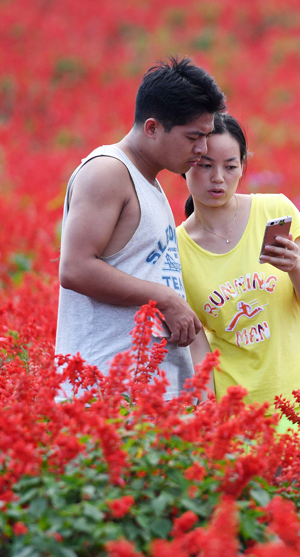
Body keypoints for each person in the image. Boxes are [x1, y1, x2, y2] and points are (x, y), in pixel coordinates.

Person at [55, 57, 227, 400]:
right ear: (152, 128)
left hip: (147, 395)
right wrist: (165, 299)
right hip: (104, 392)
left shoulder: (150, 182)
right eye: (193, 136)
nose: (202, 149)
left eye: (206, 136)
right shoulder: (108, 172)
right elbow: (75, 268)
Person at [176, 113, 300, 419]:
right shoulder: (175, 249)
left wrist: (295, 267)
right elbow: (198, 349)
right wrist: (206, 415)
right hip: (238, 412)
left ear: (243, 167)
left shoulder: (275, 209)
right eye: (205, 165)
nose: (218, 178)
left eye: (230, 166)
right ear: (185, 165)